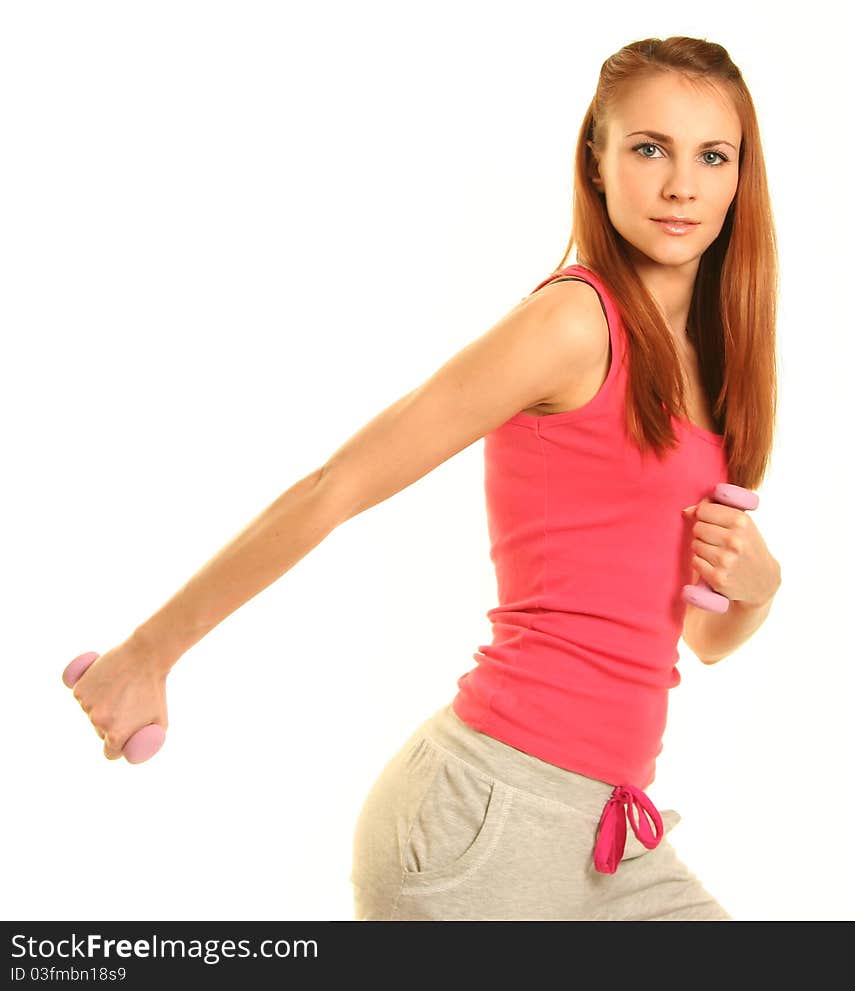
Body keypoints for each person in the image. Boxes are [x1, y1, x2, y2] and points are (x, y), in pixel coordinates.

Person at [68, 35, 782, 921]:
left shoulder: (716, 363)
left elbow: (702, 639)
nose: (682, 184)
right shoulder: (574, 323)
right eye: (649, 148)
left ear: (739, 178)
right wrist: (150, 650)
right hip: (482, 821)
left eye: (712, 156)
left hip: (611, 836)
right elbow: (340, 483)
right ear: (595, 166)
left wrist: (760, 587)